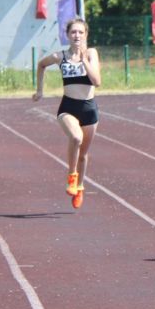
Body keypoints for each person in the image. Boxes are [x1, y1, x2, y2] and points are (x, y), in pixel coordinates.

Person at [32, 18, 102, 210]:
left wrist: (83, 60)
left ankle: (80, 187)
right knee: (76, 138)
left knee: (83, 155)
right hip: (68, 107)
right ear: (68, 35)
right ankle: (72, 176)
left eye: (80, 32)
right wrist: (40, 91)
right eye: (73, 32)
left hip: (89, 109)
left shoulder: (91, 54)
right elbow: (41, 65)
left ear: (86, 34)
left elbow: (97, 82)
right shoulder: (60, 56)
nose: (77, 35)